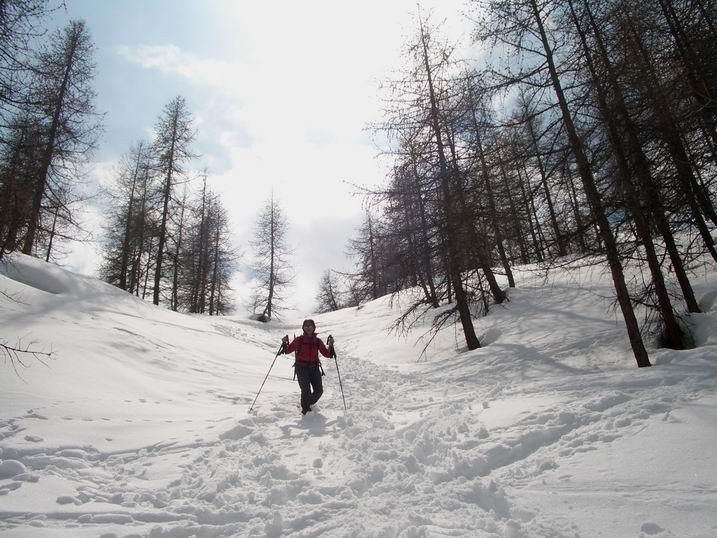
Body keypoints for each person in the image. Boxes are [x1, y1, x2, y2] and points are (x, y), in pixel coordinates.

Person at [281, 319, 335, 415]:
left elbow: (327, 354)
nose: (308, 327)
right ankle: (305, 411)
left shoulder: (317, 341)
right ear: (303, 328)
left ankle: (307, 402)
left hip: (314, 368)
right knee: (306, 390)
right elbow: (288, 350)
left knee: (319, 391)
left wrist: (331, 346)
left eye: (310, 325)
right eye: (306, 326)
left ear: (314, 328)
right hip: (301, 368)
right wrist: (284, 343)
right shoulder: (299, 340)